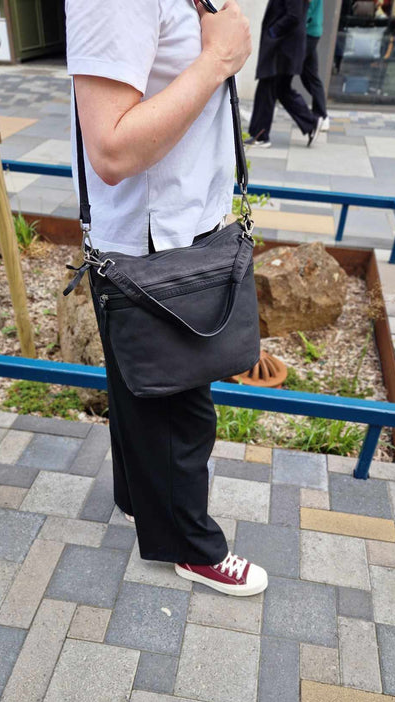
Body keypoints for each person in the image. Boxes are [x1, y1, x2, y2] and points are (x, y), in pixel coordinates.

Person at [65, 0, 268, 598]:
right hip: (152, 240)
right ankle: (191, 548)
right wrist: (217, 58)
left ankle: (140, 500)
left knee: (141, 391)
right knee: (182, 412)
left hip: (172, 226)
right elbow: (111, 150)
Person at [245, 0, 322, 148]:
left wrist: (273, 31)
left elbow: (294, 15)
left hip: (283, 46)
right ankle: (311, 122)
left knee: (267, 88)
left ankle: (260, 136)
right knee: (281, 89)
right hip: (286, 45)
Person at [301, 0, 329, 131]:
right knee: (310, 75)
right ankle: (321, 115)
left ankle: (321, 116)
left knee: (284, 79)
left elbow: (308, 10)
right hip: (312, 31)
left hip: (308, 32)